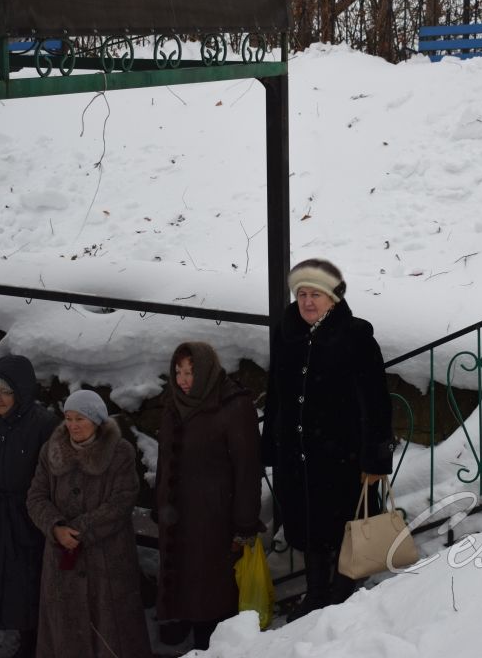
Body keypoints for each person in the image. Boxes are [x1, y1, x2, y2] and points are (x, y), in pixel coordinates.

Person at [262, 258, 395, 620]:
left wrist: (375, 457)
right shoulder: (286, 334)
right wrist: (270, 444)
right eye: (302, 294)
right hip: (298, 455)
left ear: (333, 298)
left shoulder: (355, 337)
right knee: (308, 526)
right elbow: (275, 393)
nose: (307, 302)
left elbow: (376, 403)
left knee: (346, 524)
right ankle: (316, 592)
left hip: (342, 456)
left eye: (316, 294)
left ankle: (343, 591)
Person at [26, 390, 151, 658]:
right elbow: (36, 497)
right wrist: (56, 527)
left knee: (111, 630)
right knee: (65, 631)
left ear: (96, 420)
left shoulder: (119, 453)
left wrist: (82, 529)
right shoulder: (52, 451)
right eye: (68, 418)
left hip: (108, 561)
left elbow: (122, 501)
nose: (72, 425)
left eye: (80, 419)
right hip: (61, 560)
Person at [155, 342, 262, 650]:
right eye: (178, 372)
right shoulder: (175, 403)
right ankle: (181, 631)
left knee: (211, 593)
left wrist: (244, 525)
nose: (183, 380)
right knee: (182, 581)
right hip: (177, 516)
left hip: (214, 518)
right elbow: (165, 459)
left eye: (190, 372)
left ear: (206, 370)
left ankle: (210, 646)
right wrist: (161, 507)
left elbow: (246, 469)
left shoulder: (232, 405)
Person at [0, 355, 56, 658]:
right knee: (1, 572)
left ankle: (33, 637)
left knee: (28, 577)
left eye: (5, 392)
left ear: (21, 392)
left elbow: (53, 477)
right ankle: (18, 629)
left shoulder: (42, 424)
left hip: (27, 514)